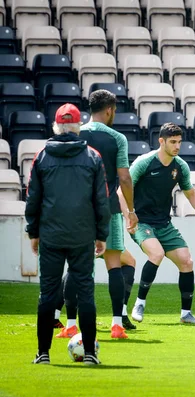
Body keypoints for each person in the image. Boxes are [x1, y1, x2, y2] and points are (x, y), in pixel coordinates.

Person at [25, 103, 110, 365]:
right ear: (77, 127)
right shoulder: (93, 156)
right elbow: (101, 200)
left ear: (56, 126)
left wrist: (33, 232)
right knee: (85, 293)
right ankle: (91, 354)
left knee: (47, 294)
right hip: (82, 236)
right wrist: (102, 234)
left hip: (50, 235)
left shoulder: (41, 156)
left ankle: (43, 354)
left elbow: (33, 198)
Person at [130, 123, 195, 324]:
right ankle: (139, 303)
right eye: (173, 142)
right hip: (141, 222)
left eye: (179, 142)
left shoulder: (180, 166)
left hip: (163, 224)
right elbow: (122, 191)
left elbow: (191, 195)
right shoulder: (144, 162)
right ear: (161, 141)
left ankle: (186, 314)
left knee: (187, 262)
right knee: (156, 254)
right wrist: (129, 215)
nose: (177, 146)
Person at [72, 89, 138, 338]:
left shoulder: (75, 135)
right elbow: (124, 177)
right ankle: (116, 325)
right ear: (109, 109)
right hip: (108, 210)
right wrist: (130, 210)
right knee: (114, 265)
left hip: (78, 211)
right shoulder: (117, 139)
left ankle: (70, 324)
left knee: (79, 267)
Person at [55, 249, 137, 338]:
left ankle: (68, 324)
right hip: (106, 236)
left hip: (88, 237)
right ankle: (118, 323)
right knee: (118, 264)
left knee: (78, 264)